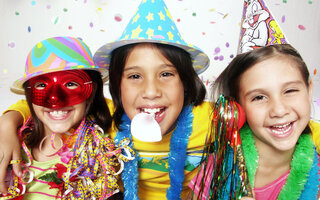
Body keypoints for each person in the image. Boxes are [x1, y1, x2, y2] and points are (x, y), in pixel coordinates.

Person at [0, 0, 212, 199]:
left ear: (185, 81)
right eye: (135, 76)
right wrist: (7, 123)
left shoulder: (211, 119)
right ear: (118, 85)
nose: (151, 92)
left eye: (166, 74)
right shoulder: (112, 118)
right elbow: (42, 104)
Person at [0, 36, 129, 199]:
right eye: (41, 86)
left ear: (92, 91)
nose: (55, 99)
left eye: (70, 84)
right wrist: (7, 123)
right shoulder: (12, 143)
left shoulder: (106, 137)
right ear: (29, 94)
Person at [189, 44, 320, 199]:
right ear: (238, 106)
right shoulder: (219, 170)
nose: (279, 110)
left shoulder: (315, 173)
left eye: (290, 91)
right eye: (259, 97)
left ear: (309, 90)